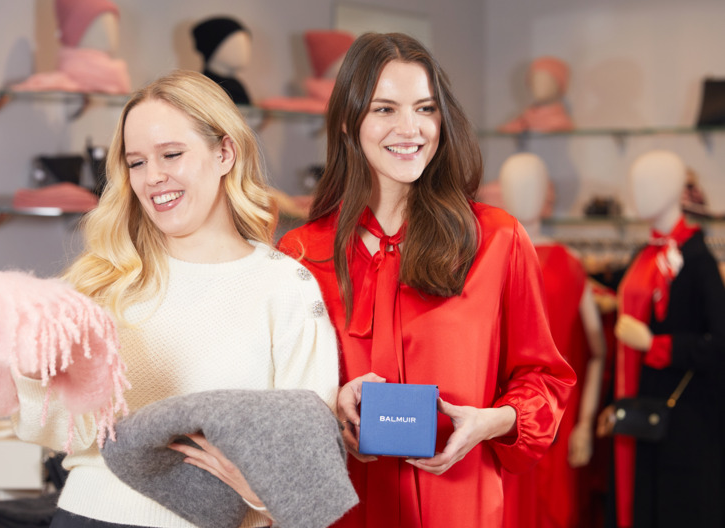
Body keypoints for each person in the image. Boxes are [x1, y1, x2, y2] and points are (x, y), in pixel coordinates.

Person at [12, 69, 340, 528]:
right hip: (88, 513)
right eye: (137, 162)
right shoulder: (102, 281)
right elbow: (59, 432)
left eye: (171, 154)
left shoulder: (285, 287)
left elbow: (309, 459)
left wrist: (263, 499)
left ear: (225, 152)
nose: (153, 178)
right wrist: (33, 373)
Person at [278, 32, 576, 528]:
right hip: (342, 504)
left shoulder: (497, 240)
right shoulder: (302, 253)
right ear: (350, 123)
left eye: (425, 108)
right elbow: (279, 395)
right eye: (385, 109)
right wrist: (330, 407)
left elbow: (545, 380)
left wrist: (489, 421)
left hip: (459, 504)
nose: (411, 128)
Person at [596, 150, 725, 528]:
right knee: (638, 502)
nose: (638, 193)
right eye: (635, 183)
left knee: (674, 505)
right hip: (638, 409)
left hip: (681, 417)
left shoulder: (697, 259)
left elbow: (719, 344)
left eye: (648, 183)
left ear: (674, 190)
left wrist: (654, 344)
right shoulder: (645, 254)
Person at [498, 152, 606, 528]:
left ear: (548, 193)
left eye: (531, 185)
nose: (522, 193)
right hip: (503, 415)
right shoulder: (487, 257)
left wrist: (585, 422)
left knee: (556, 510)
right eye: (514, 184)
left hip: (560, 413)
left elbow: (597, 352)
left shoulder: (570, 262)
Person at [499, 55, 573, 133]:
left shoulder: (559, 121)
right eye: (535, 81)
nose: (538, 86)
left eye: (545, 81)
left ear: (559, 86)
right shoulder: (525, 118)